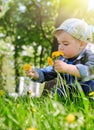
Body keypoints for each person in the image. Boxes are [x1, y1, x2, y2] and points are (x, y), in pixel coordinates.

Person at [26, 18, 94, 96]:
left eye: (65, 44)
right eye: (59, 43)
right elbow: (49, 72)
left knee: (90, 83)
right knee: (58, 89)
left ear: (81, 44)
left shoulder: (90, 56)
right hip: (70, 95)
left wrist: (68, 68)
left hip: (88, 95)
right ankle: (62, 104)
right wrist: (36, 74)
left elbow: (90, 71)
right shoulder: (62, 59)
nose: (60, 47)